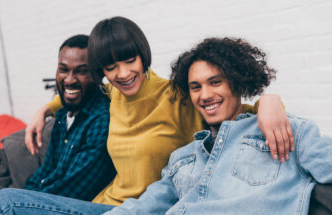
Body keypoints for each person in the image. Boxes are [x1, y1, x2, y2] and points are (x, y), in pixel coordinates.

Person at [0, 17, 292, 214]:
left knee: (3, 202)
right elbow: (76, 91)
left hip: (147, 209)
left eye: (129, 60)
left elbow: (225, 107)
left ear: (143, 54)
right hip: (103, 205)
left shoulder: (176, 96)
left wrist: (270, 101)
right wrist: (46, 109)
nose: (122, 74)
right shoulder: (113, 95)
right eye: (110, 68)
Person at [102, 37, 332, 215]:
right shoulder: (182, 157)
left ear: (238, 82)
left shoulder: (286, 132)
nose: (205, 95)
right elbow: (143, 207)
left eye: (215, 82)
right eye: (195, 87)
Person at [0, 34, 115, 201]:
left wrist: (23, 201)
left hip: (69, 206)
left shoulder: (100, 121)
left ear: (98, 76)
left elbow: (71, 191)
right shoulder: (63, 114)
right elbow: (44, 172)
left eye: (82, 71)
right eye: (63, 69)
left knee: (3, 199)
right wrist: (28, 194)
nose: (69, 79)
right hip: (42, 197)